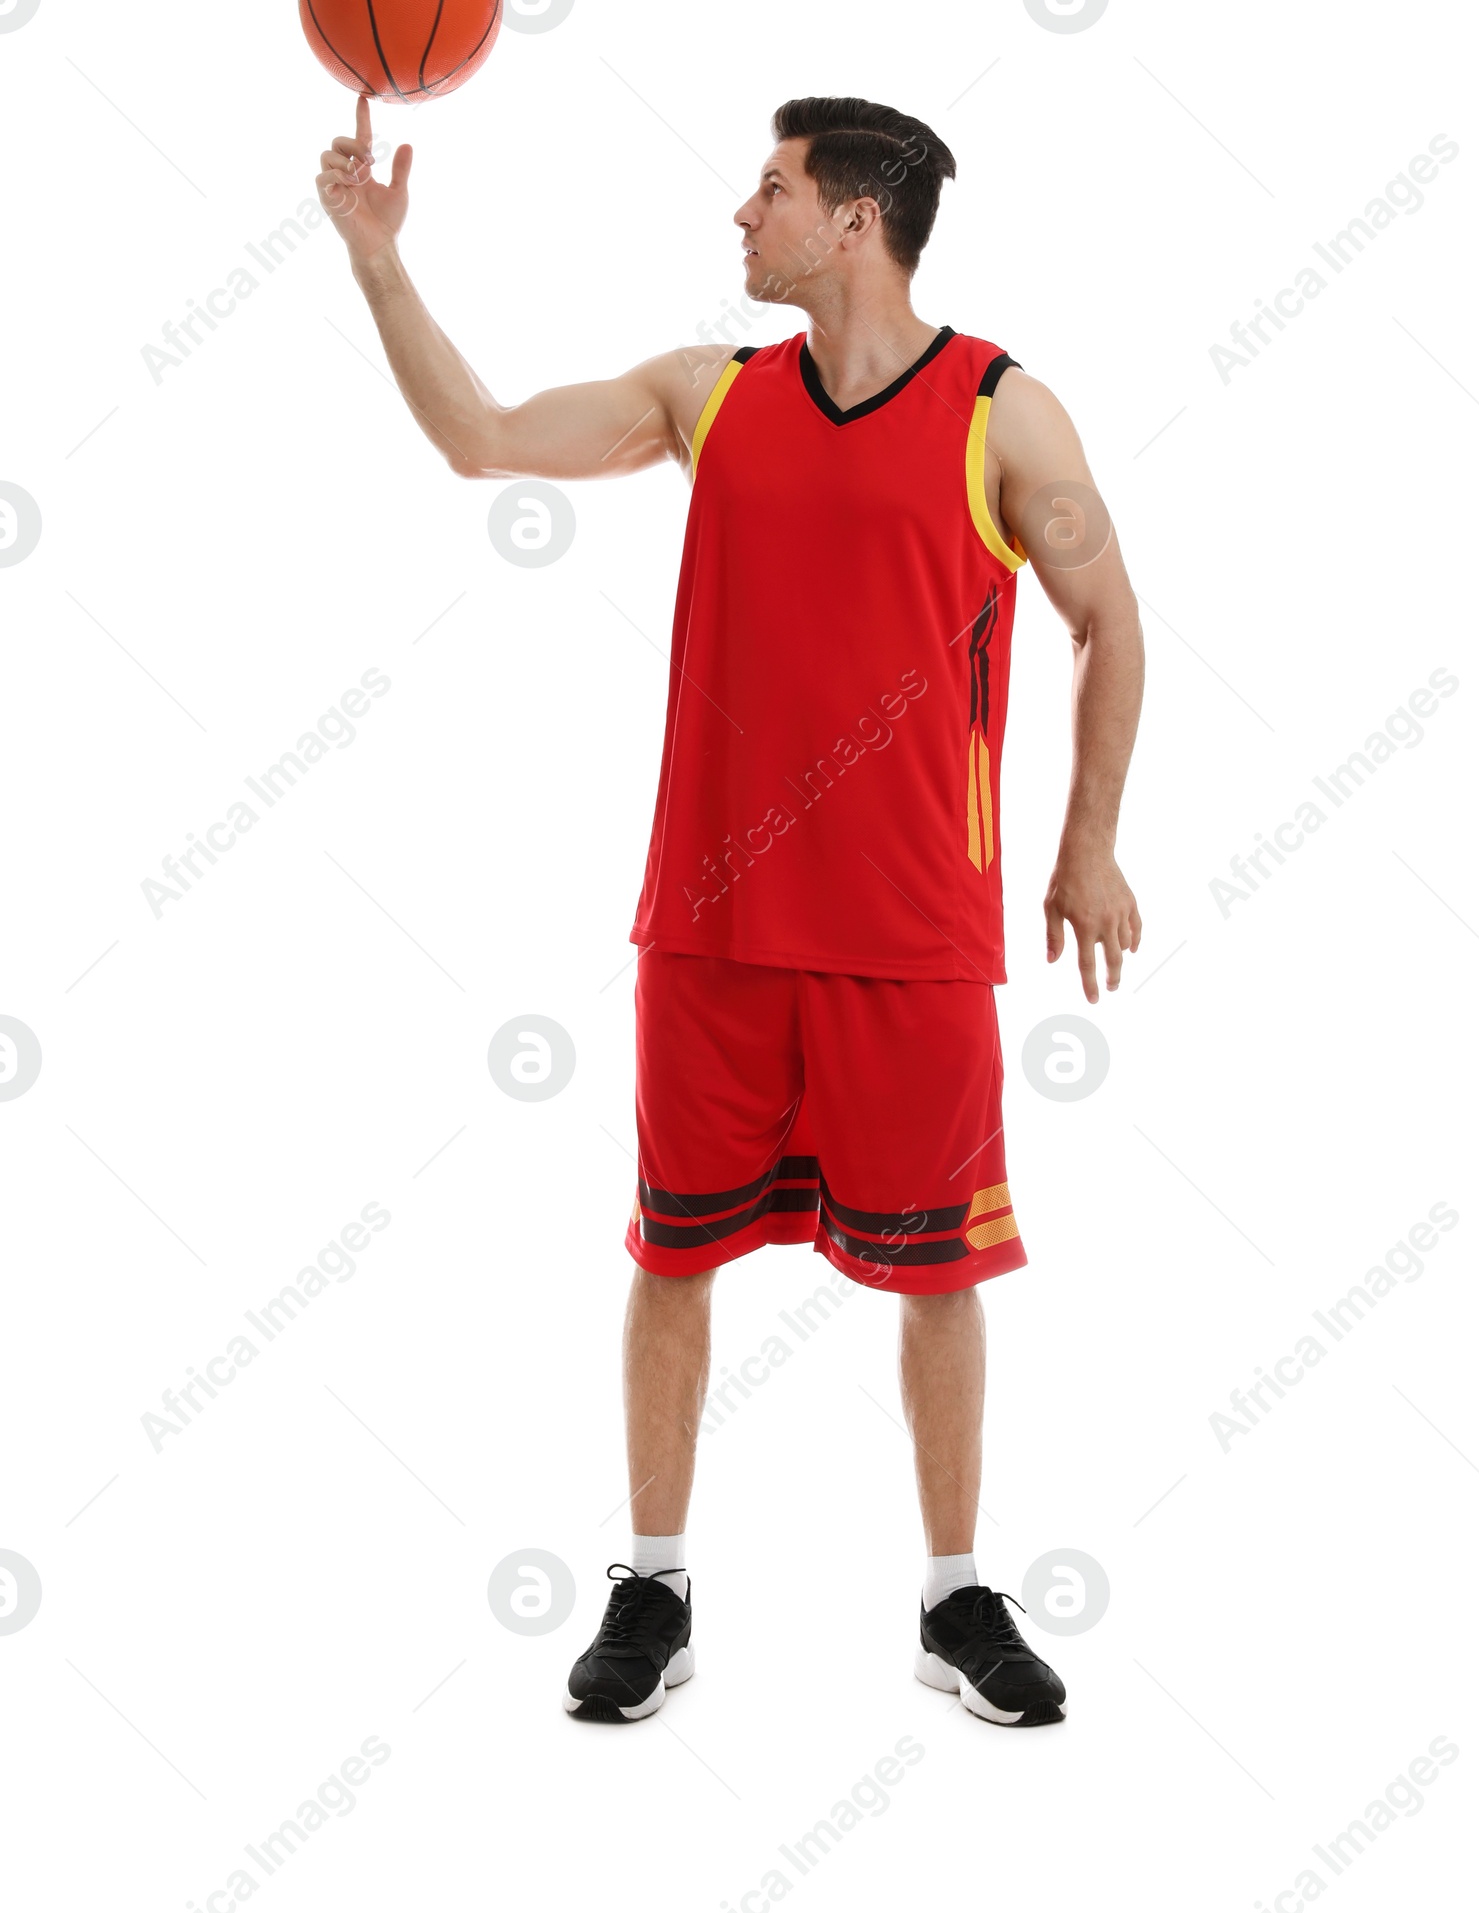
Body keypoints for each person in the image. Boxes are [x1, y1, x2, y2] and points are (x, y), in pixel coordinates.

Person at [317, 92, 1144, 1728]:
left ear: (856, 218)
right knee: (673, 1252)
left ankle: (955, 1593)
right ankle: (653, 1580)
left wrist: (1088, 845)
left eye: (768, 188)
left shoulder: (1005, 413)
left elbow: (1108, 618)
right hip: (709, 921)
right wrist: (378, 268)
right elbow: (484, 436)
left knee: (936, 1271)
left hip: (911, 935)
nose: (741, 213)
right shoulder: (711, 396)